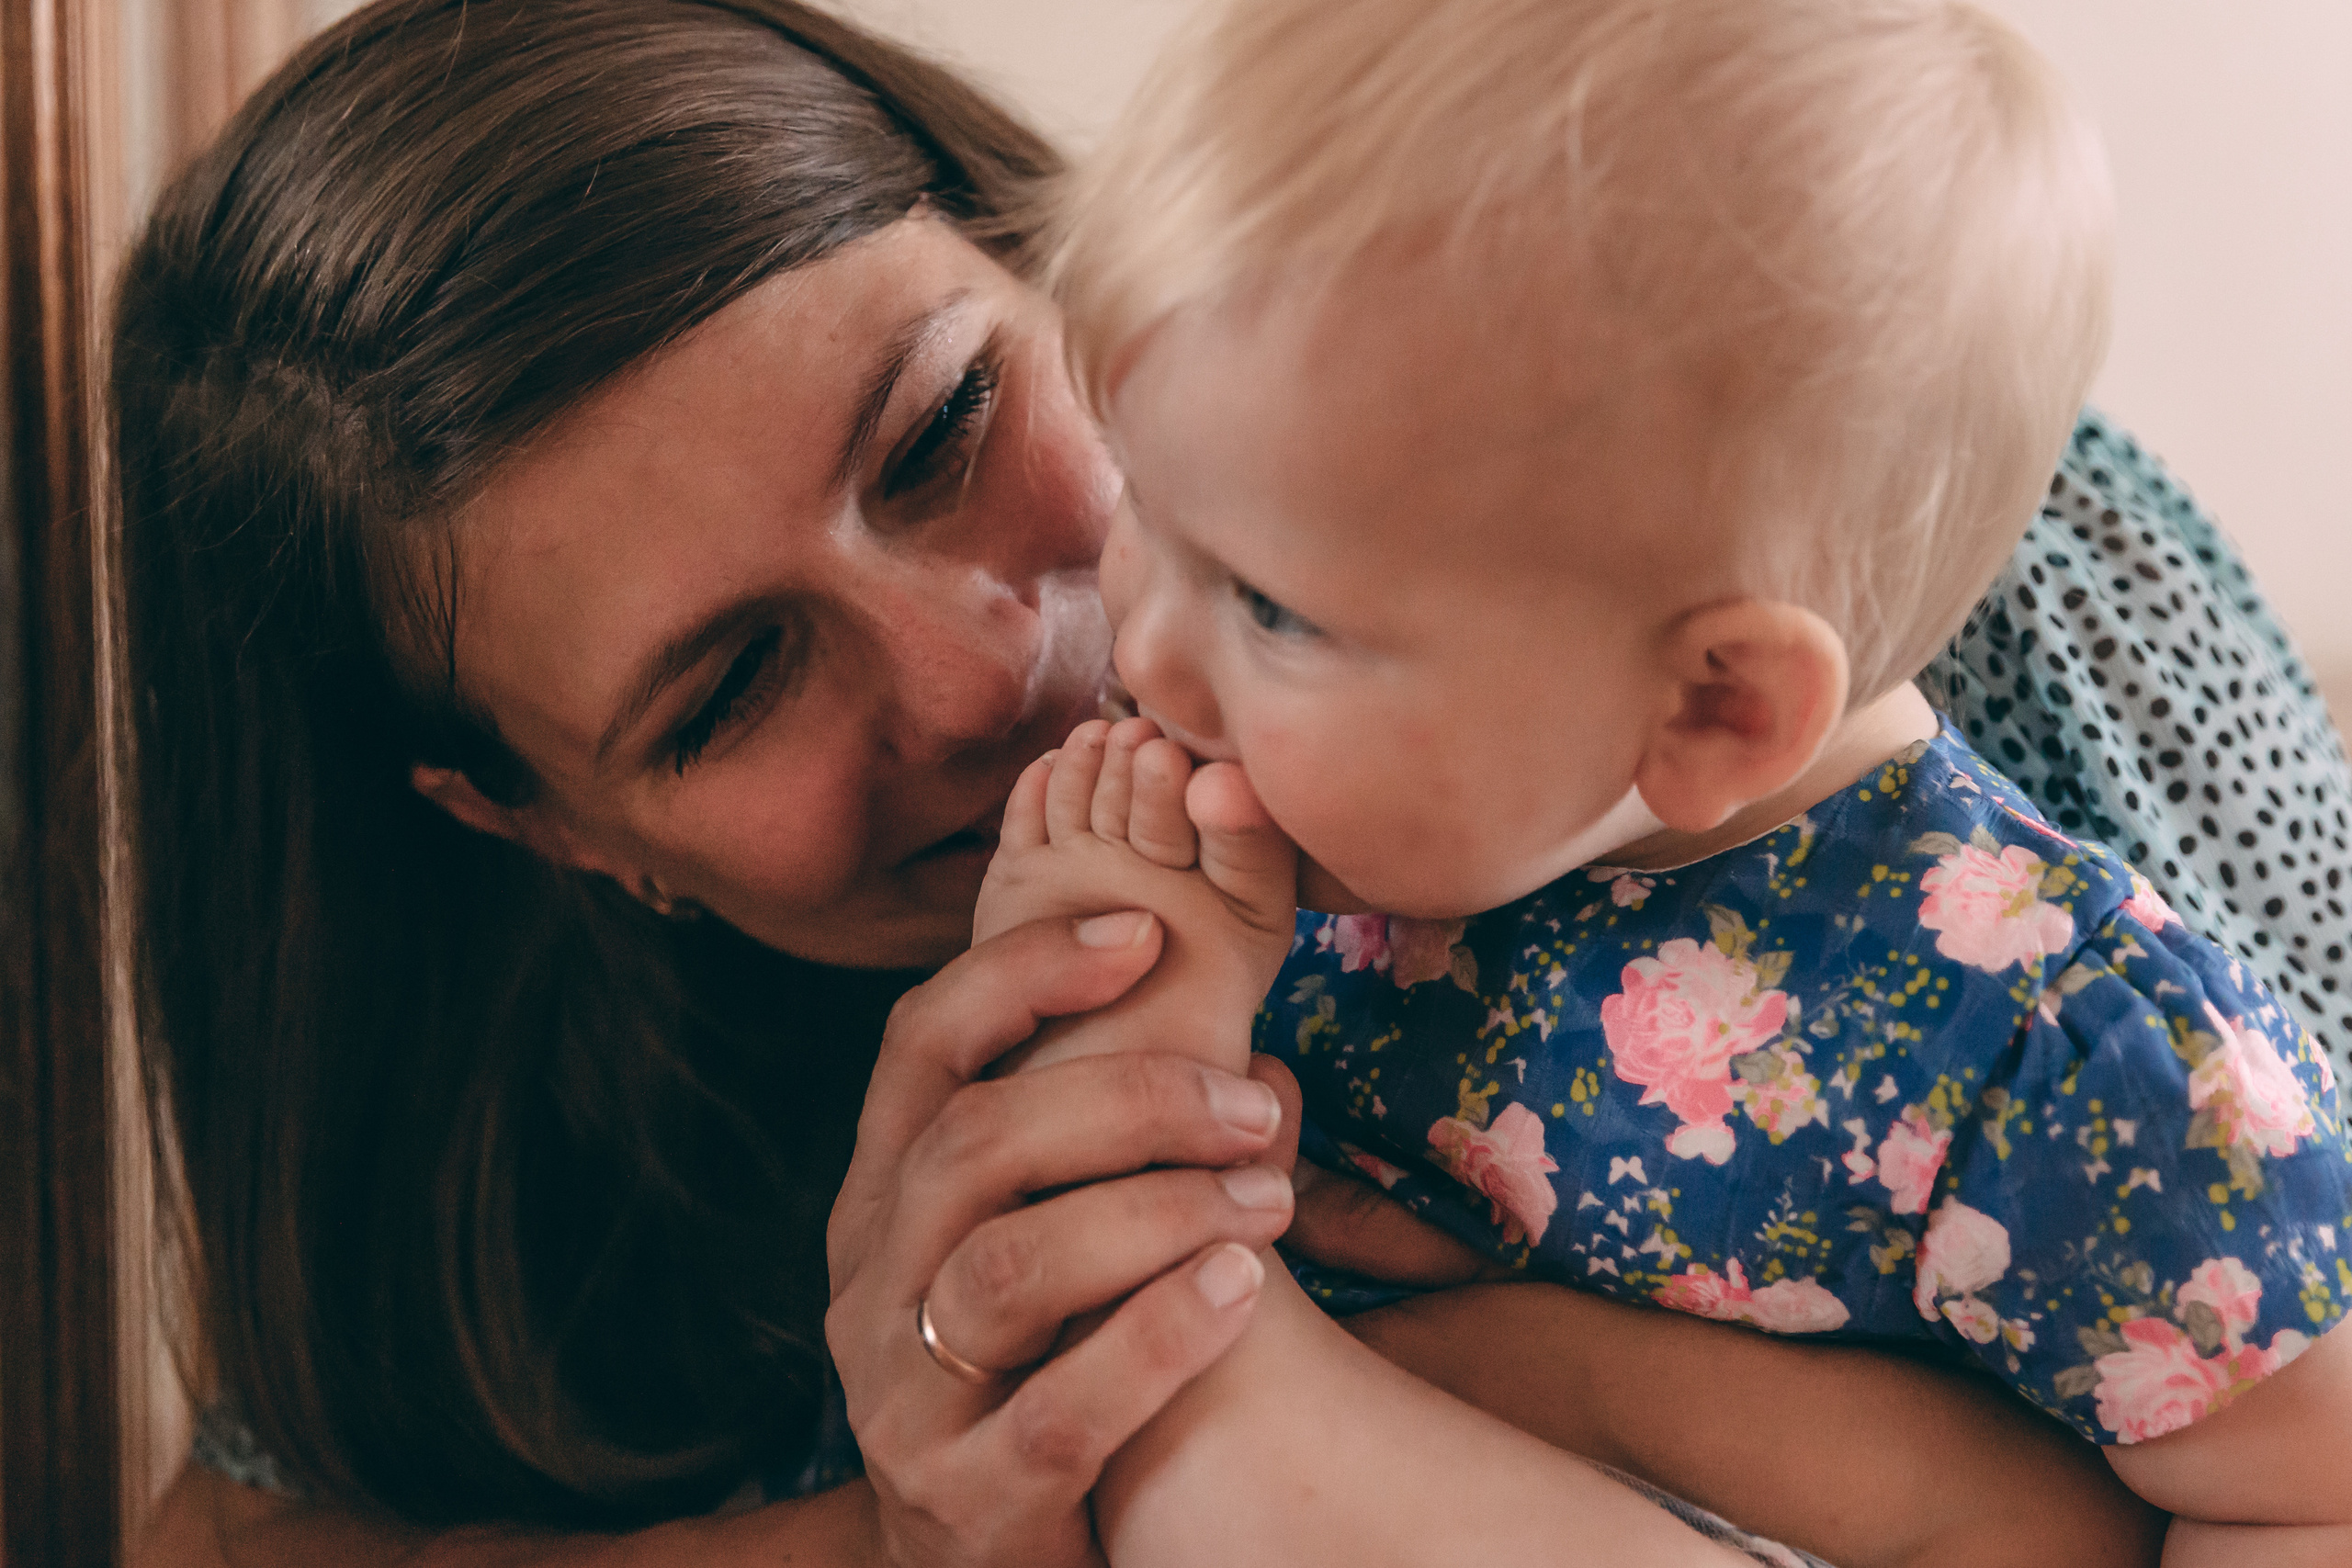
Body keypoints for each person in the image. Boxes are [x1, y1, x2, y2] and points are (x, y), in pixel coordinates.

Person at [115, 0, 2344, 1564]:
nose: (1003, 671)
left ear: (1029, 249)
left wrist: (1542, 1381)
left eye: (940, 430)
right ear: (548, 830)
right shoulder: (540, 1141)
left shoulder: (1942, 578)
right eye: (721, 696)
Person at [968, 0, 2352, 1562]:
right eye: (1141, 497)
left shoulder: (2060, 1057)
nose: (1139, 649)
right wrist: (1128, 1020)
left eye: (1271, 607)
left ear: (1715, 707)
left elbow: (2318, 1493)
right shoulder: (1328, 846)